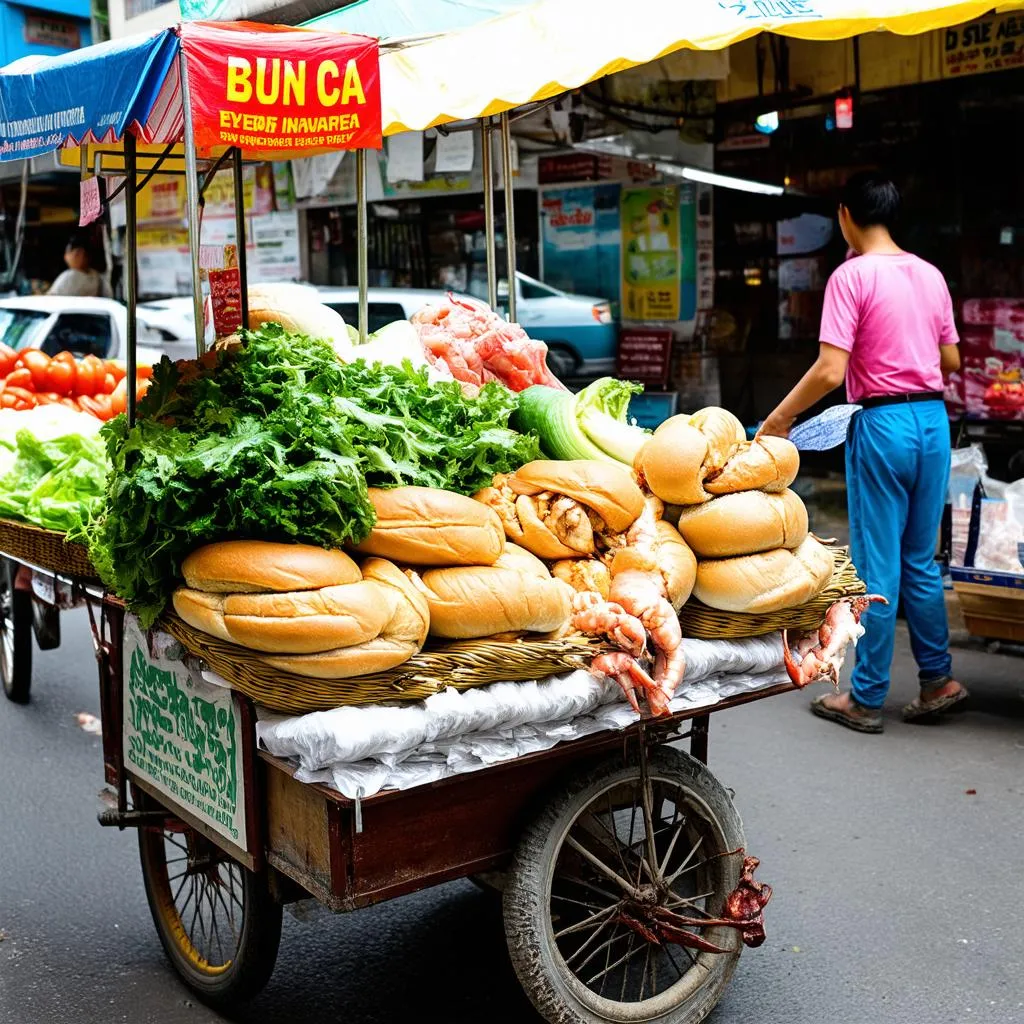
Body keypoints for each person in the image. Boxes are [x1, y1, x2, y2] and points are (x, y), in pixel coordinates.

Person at [758, 172, 967, 733]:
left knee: (877, 565)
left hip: (884, 421)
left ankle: (866, 696)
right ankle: (937, 680)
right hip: (931, 420)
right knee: (921, 560)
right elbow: (950, 361)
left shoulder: (851, 276)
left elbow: (831, 368)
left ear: (846, 215)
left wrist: (780, 418)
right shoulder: (929, 274)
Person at [47, 234, 111, 298]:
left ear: (80, 253)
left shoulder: (70, 276)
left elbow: (50, 298)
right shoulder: (96, 276)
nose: (65, 257)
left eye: (68, 252)